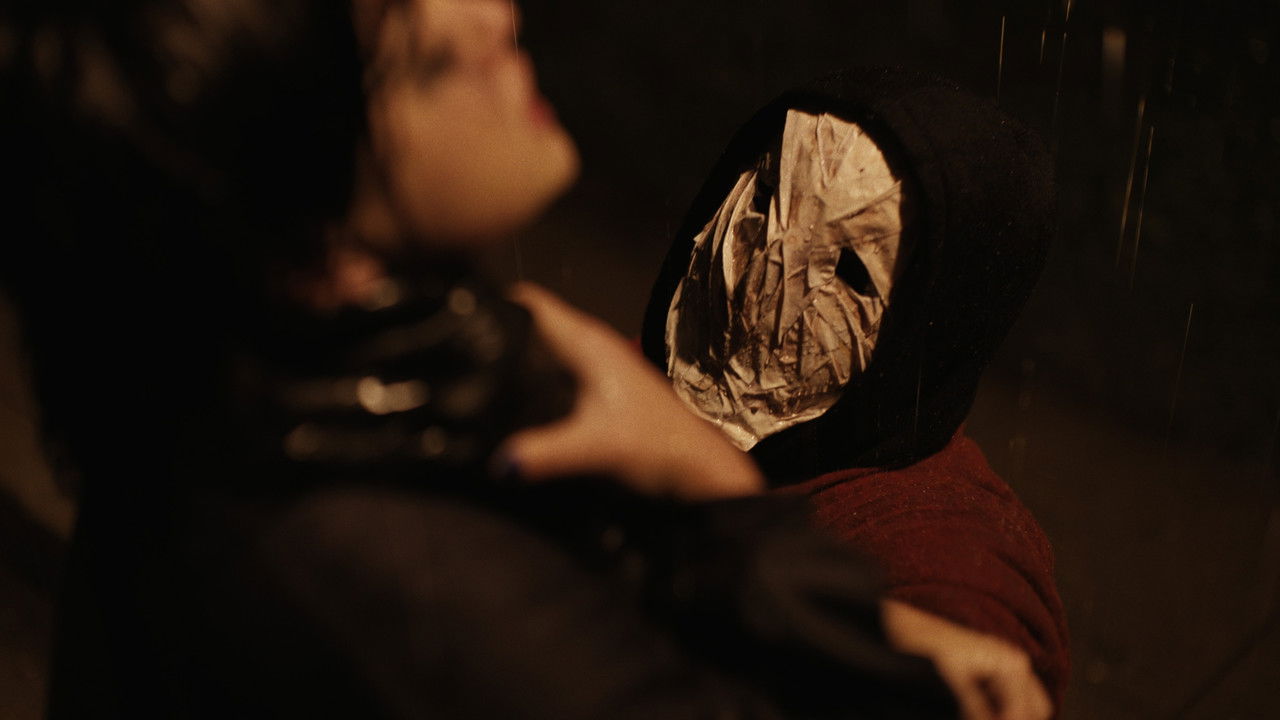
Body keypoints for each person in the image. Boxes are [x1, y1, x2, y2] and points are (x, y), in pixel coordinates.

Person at [0, 1, 1048, 718]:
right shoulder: (436, 597)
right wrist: (713, 500)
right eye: (419, 57)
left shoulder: (269, 395)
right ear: (310, 220)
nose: (492, 16)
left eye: (850, 270)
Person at [641, 69, 1070, 713]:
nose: (764, 277)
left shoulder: (938, 542)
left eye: (850, 269)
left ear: (927, 330)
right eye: (764, 198)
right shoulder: (623, 387)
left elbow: (969, 666)